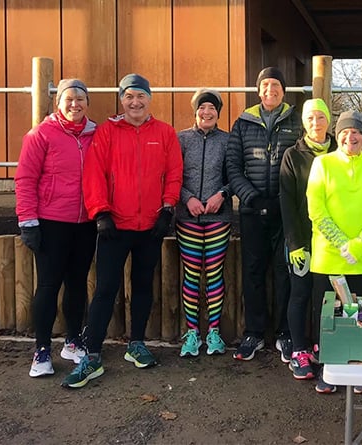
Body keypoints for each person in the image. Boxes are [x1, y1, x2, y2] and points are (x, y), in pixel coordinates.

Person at [61, 73, 183, 388]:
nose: (135, 102)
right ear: (122, 100)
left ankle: (137, 343)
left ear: (149, 98)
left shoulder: (165, 132)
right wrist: (100, 212)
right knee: (104, 290)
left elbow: (173, 173)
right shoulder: (107, 132)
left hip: (149, 227)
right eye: (129, 96)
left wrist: (168, 208)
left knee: (143, 286)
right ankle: (91, 354)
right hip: (115, 226)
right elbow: (94, 174)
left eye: (140, 96)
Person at [15, 79, 97, 377]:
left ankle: (73, 340)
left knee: (77, 284)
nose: (75, 104)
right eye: (69, 99)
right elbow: (25, 179)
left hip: (86, 222)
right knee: (48, 286)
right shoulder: (41, 135)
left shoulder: (95, 134)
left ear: (88, 103)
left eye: (81, 99)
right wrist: (28, 221)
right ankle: (41, 349)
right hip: (51, 222)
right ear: (58, 102)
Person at [307, 110, 362, 394]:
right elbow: (316, 209)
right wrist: (342, 242)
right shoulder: (322, 163)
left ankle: (360, 366)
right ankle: (328, 369)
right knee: (328, 317)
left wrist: (359, 244)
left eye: (356, 132)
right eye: (345, 132)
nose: (350, 137)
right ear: (337, 134)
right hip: (328, 257)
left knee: (361, 316)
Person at [226, 67, 301, 362]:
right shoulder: (243, 123)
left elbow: (303, 161)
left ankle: (284, 332)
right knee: (253, 271)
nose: (271, 89)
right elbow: (233, 166)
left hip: (286, 210)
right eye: (266, 85)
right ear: (258, 90)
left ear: (284, 90)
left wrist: (288, 200)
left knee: (285, 271)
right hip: (252, 209)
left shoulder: (296, 120)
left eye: (276, 85)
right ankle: (254, 332)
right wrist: (252, 197)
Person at [280, 98, 336, 380]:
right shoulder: (293, 155)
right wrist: (293, 243)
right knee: (300, 293)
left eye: (321, 117)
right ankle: (299, 349)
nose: (316, 123)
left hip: (332, 242)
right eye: (311, 118)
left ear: (329, 121)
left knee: (325, 297)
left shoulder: (342, 150)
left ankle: (321, 346)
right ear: (304, 123)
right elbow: (287, 202)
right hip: (302, 238)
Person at [176, 89, 232, 357]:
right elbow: (171, 175)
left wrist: (222, 194)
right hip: (188, 217)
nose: (206, 112)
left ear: (218, 112)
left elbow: (236, 176)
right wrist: (187, 199)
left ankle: (214, 331)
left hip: (218, 217)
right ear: (195, 111)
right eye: (202, 108)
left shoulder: (228, 141)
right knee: (192, 272)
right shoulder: (181, 139)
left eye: (212, 108)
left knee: (213, 271)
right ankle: (192, 332)